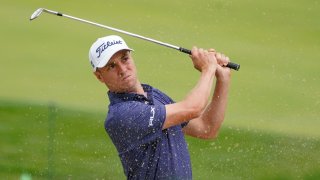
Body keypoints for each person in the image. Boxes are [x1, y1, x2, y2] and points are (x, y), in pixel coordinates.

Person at [89, 35, 231, 179]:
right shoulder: (121, 115)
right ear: (99, 76)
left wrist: (223, 79)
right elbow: (193, 108)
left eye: (125, 59)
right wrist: (208, 69)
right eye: (111, 66)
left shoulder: (154, 96)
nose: (122, 69)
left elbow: (206, 128)